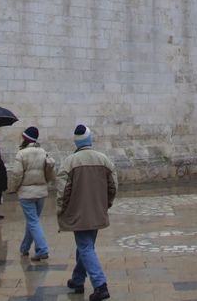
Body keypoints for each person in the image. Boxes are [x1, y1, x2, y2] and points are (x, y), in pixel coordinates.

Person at [57, 124, 117, 301]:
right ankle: (77, 280)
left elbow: (63, 190)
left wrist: (61, 209)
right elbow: (113, 186)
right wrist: (106, 203)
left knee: (85, 247)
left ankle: (100, 284)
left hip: (78, 213)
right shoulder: (103, 159)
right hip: (97, 211)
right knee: (86, 246)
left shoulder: (70, 161)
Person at [14, 125, 54, 261]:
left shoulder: (21, 154)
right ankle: (24, 248)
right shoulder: (43, 152)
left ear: (25, 139)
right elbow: (48, 173)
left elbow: (17, 174)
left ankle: (42, 249)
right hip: (41, 193)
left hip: (26, 193)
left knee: (33, 221)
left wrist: (15, 188)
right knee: (33, 221)